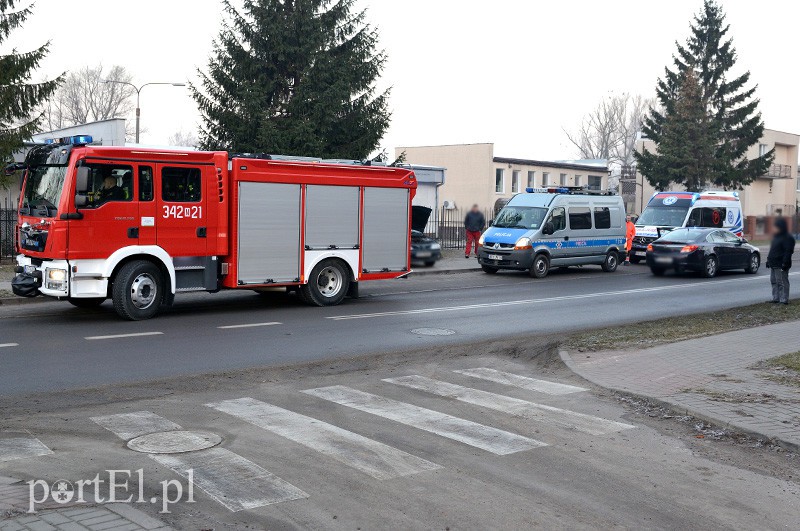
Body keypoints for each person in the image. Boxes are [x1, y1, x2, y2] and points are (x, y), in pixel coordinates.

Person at [766, 218, 795, 305]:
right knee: (774, 281)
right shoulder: (776, 237)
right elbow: (772, 250)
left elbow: (788, 251)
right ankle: (776, 298)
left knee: (782, 282)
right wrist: (768, 260)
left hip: (781, 263)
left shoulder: (788, 237)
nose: (774, 228)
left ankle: (784, 299)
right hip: (773, 263)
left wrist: (785, 262)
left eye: (776, 227)